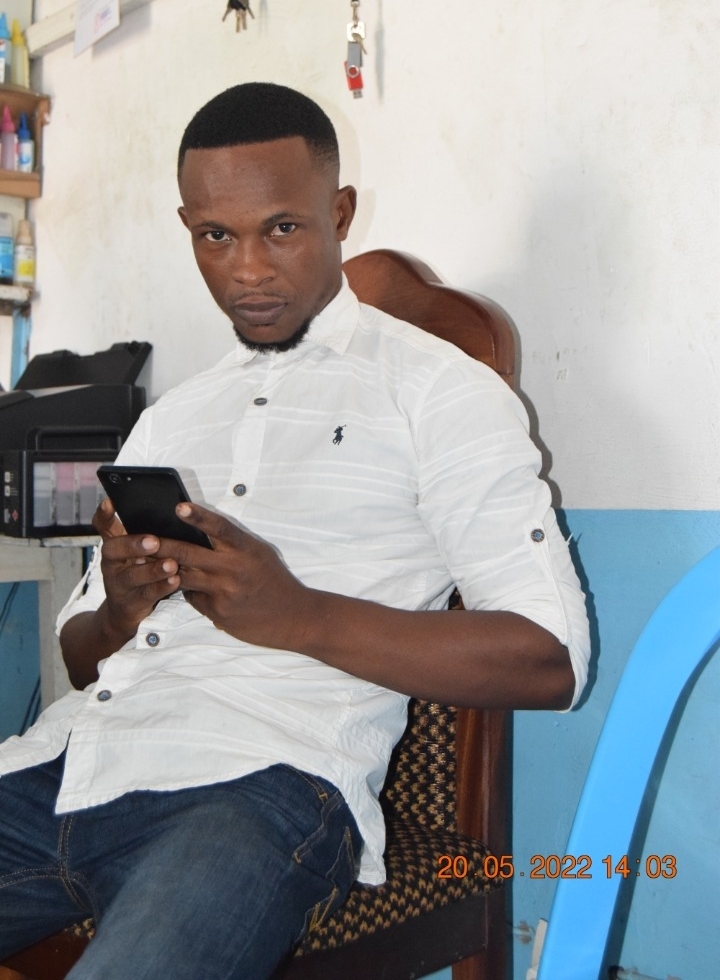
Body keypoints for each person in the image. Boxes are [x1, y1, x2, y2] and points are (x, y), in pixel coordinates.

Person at [0, 83, 590, 979]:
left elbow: (552, 661)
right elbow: (84, 662)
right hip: (69, 765)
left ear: (339, 213)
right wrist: (121, 609)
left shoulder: (441, 394)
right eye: (215, 236)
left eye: (281, 228)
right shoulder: (173, 418)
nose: (247, 269)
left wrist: (300, 615)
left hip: (258, 793)